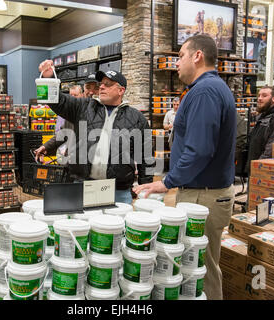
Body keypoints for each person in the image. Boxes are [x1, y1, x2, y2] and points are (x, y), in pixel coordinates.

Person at [133, 34, 236, 300]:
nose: (176, 62)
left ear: (197, 56)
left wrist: (166, 181)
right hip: (204, 192)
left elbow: (200, 149)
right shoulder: (208, 88)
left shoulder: (205, 91)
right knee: (198, 264)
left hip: (205, 195)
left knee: (200, 268)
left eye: (180, 55)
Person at [37, 61, 154, 204]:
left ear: (121, 90)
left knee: (117, 225)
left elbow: (145, 157)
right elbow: (57, 101)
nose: (102, 86)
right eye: (101, 84)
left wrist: (145, 187)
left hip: (119, 191)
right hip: (83, 186)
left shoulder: (137, 118)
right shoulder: (84, 107)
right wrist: (48, 77)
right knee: (81, 225)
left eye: (108, 84)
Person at [245, 85, 274, 174]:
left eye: (264, 96)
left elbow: (273, 146)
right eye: (259, 95)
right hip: (254, 167)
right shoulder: (262, 116)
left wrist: (259, 165)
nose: (259, 98)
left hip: (265, 170)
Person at [34, 86, 81, 164]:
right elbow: (62, 134)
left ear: (82, 95)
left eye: (75, 95)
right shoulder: (70, 114)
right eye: (71, 95)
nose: (72, 98)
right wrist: (45, 147)